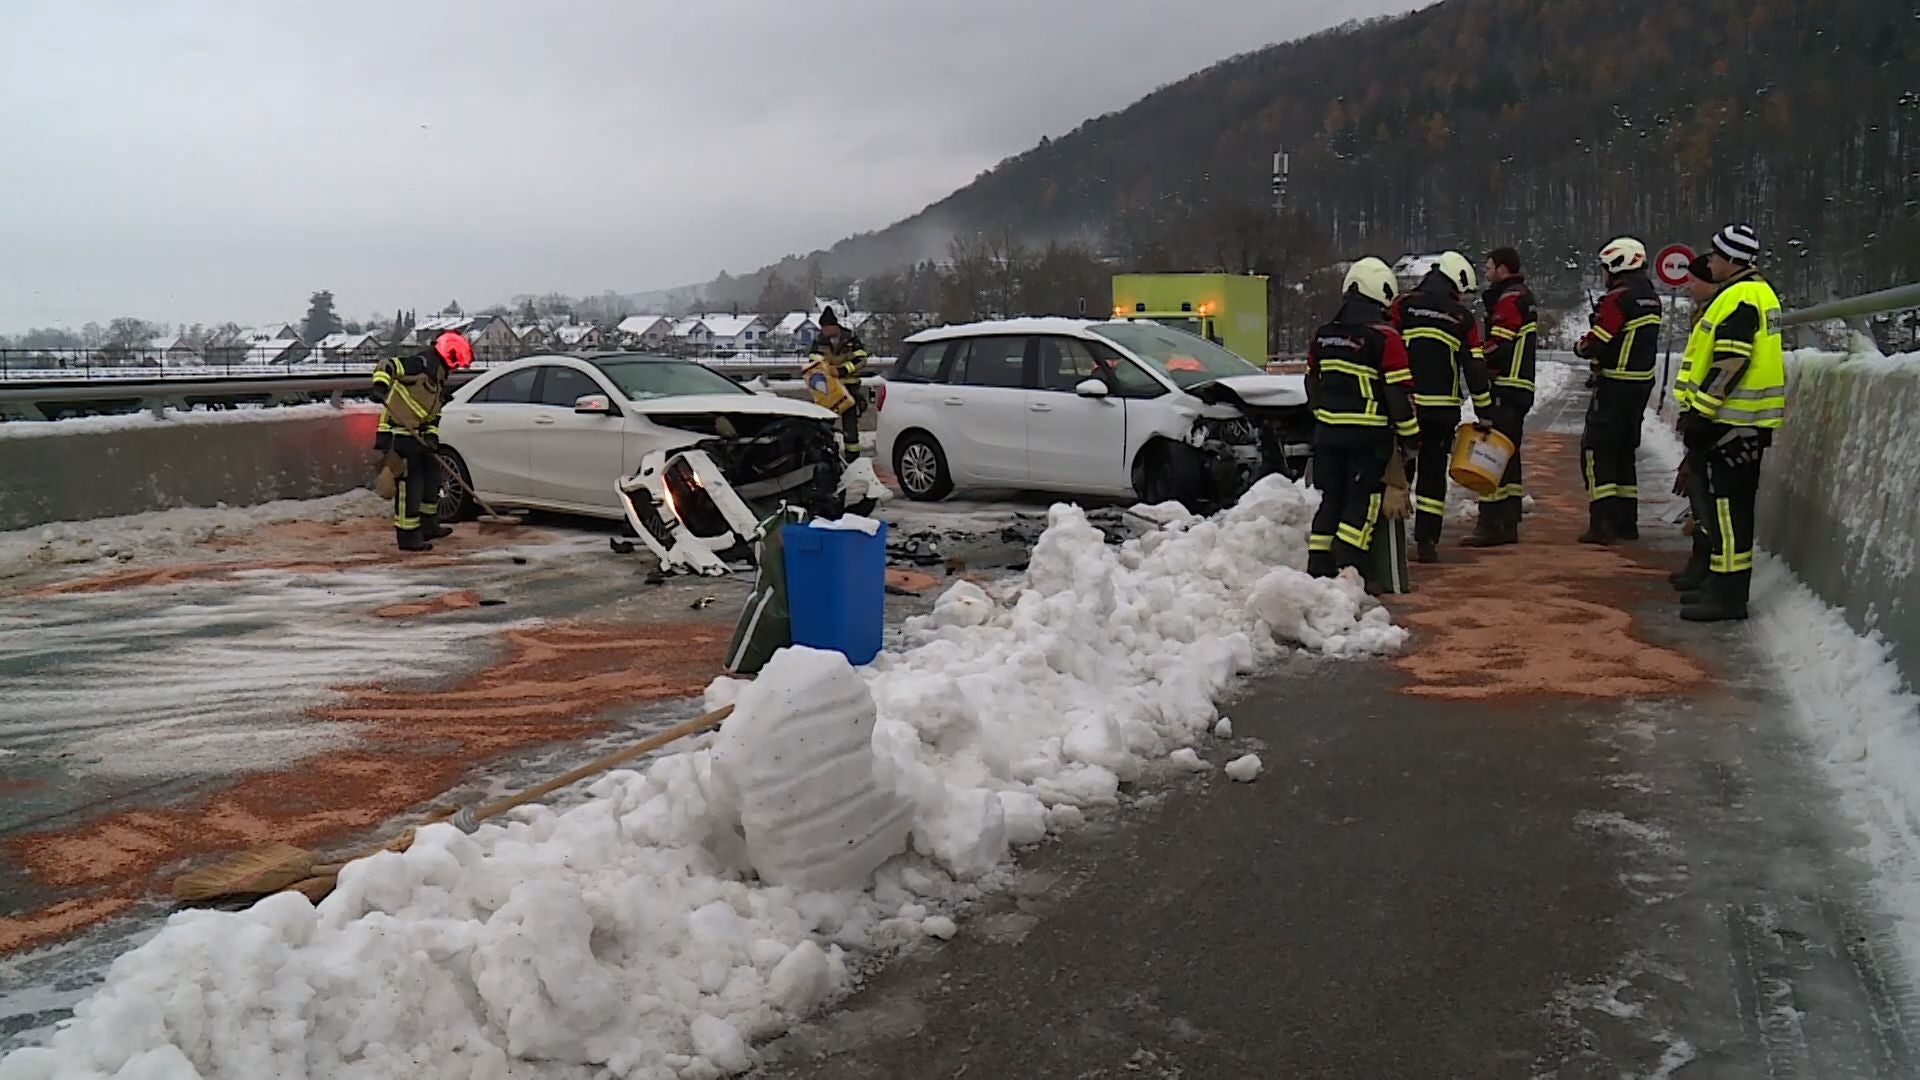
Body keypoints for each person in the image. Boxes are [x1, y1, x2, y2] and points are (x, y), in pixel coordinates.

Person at [1671, 224, 1785, 622]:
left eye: (1717, 256)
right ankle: (1719, 587)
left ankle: (1728, 596)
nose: (1711, 262)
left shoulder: (1740, 298)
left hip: (1733, 422)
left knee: (1730, 511)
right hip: (1742, 422)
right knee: (1725, 509)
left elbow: (1729, 363)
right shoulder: (1753, 294)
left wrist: (1700, 412)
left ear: (1734, 260)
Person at [1305, 257, 1420, 585]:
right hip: (1367, 439)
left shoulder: (1323, 335)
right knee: (1362, 506)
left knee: (1332, 501)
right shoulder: (1385, 337)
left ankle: (1318, 568)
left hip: (1327, 437)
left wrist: (1325, 419)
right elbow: (1398, 396)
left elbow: (1311, 384)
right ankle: (1349, 573)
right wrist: (1411, 440)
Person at [1391, 250, 1494, 563]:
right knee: (1433, 473)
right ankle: (1426, 542)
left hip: (1406, 406)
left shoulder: (1403, 306)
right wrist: (1485, 412)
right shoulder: (1462, 318)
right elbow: (1474, 369)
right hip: (1441, 410)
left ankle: (1391, 539)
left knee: (1398, 470)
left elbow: (1384, 347)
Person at [1573, 237, 1663, 545]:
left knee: (1597, 451)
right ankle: (1627, 522)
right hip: (1640, 385)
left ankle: (1602, 523)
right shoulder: (1651, 297)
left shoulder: (1618, 298)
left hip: (1614, 385)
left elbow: (1599, 341)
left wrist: (1582, 346)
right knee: (1625, 452)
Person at [1463, 247, 1539, 547]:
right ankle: (1507, 522)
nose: (1485, 269)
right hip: (1518, 386)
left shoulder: (1509, 299)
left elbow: (1501, 344)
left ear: (1503, 269)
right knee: (1508, 454)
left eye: (1489, 265)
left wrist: (1474, 356)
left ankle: (1491, 524)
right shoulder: (1521, 296)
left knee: (1492, 454)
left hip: (1506, 386)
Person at [373, 330, 471, 551]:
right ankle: (407, 536)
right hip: (398, 436)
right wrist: (380, 385)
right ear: (450, 355)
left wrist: (431, 439)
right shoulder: (419, 364)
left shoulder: (437, 381)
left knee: (431, 481)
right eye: (456, 364)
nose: (455, 369)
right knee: (410, 487)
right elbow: (387, 365)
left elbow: (432, 417)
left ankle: (429, 526)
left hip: (418, 438)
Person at [1669, 254, 1719, 592]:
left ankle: (1708, 567)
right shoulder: (1703, 313)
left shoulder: (1719, 313)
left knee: (1709, 497)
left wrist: (1699, 415)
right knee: (1700, 494)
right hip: (1699, 414)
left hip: (1712, 416)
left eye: (1694, 280)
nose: (1688, 286)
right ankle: (1700, 564)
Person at [808, 307, 870, 462]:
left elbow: (861, 359)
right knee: (825, 424)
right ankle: (826, 455)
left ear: (834, 326)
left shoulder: (850, 338)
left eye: (826, 328)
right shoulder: (819, 341)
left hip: (849, 389)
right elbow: (813, 362)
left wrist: (842, 371)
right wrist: (825, 371)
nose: (824, 332)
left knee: (850, 427)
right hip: (829, 390)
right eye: (822, 329)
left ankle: (853, 458)